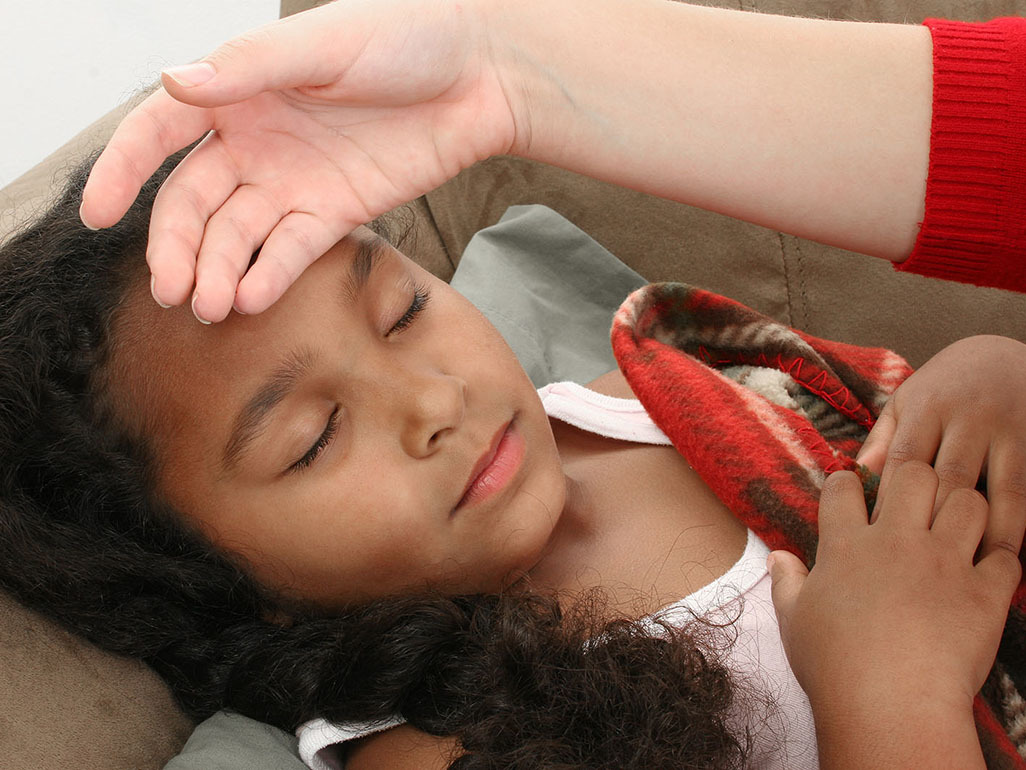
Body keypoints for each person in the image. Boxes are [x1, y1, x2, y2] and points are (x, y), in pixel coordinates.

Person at [2, 144, 1025, 768]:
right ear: (216, 575)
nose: (434, 401)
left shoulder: (651, 391)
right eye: (313, 436)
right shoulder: (443, 740)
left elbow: (879, 429)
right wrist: (892, 694)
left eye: (401, 308)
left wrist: (984, 376)